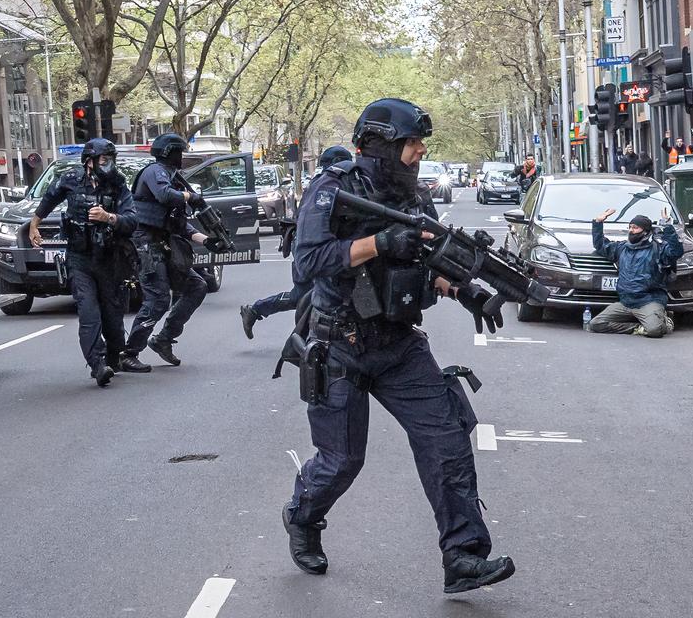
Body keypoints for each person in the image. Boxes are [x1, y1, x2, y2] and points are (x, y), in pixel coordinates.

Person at [282, 97, 515, 594]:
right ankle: (302, 515)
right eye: (412, 142)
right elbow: (307, 264)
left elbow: (431, 260)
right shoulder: (333, 188)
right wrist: (378, 244)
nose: (420, 150)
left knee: (447, 441)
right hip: (338, 342)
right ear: (383, 145)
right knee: (341, 461)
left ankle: (464, 557)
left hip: (398, 343)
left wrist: (467, 291)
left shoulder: (413, 197)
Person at [29, 139, 139, 385]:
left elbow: (132, 221)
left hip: (109, 259)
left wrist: (109, 217)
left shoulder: (118, 184)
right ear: (89, 161)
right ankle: (97, 364)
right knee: (89, 313)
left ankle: (113, 357)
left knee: (113, 316)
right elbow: (48, 200)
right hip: (79, 258)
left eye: (111, 160)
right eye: (104, 160)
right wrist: (34, 224)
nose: (108, 165)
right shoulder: (70, 179)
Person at [119, 133, 225, 370]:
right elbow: (165, 196)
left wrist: (205, 239)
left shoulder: (172, 177)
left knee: (197, 286)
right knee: (158, 298)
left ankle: (164, 339)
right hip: (146, 242)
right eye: (179, 152)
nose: (181, 157)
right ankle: (129, 353)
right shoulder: (155, 171)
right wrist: (190, 196)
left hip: (164, 242)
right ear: (170, 152)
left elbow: (177, 223)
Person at [240, 146, 353, 339]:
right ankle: (258, 311)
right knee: (303, 296)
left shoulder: (339, 184)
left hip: (326, 250)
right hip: (311, 249)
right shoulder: (324, 186)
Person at [588, 208, 683, 337]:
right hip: (626, 302)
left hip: (649, 301)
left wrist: (667, 226)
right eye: (630, 227)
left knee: (654, 331)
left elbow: (675, 251)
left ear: (645, 231)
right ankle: (638, 328)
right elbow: (600, 245)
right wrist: (598, 223)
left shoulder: (658, 249)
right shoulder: (622, 248)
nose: (631, 230)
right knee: (596, 324)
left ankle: (663, 321)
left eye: (635, 227)